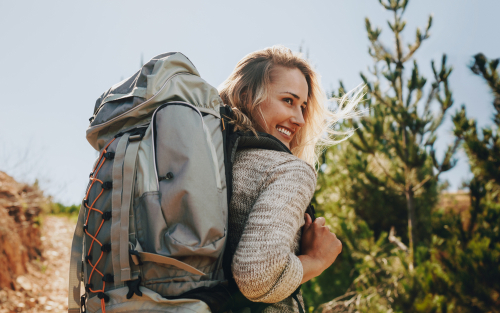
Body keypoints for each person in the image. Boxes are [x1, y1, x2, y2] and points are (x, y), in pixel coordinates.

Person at [218, 45, 360, 312]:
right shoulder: (288, 169)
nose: (299, 119)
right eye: (288, 100)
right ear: (247, 96)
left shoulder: (213, 163)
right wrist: (317, 259)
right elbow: (257, 276)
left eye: (303, 106)